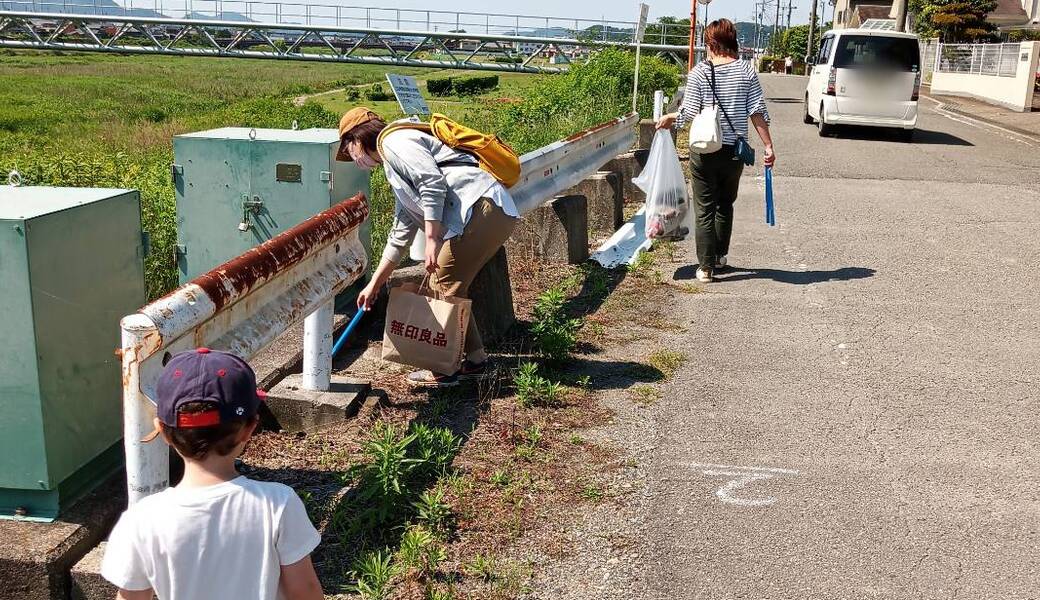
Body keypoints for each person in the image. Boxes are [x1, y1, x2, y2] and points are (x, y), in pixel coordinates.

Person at [100, 348, 323, 600]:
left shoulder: (142, 519)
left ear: (162, 431)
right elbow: (305, 591)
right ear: (249, 428)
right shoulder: (279, 504)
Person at [337, 107, 519, 388]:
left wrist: (432, 239)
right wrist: (374, 284)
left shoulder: (393, 141)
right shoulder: (393, 165)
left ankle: (443, 370)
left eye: (348, 150)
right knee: (450, 285)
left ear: (357, 139)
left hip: (480, 209)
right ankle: (476, 362)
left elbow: (431, 183)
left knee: (442, 282)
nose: (352, 158)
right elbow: (400, 233)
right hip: (488, 211)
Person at [655, 18, 776, 283]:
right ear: (732, 42)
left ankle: (706, 267)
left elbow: (688, 112)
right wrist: (768, 145)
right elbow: (757, 111)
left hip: (704, 149)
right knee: (725, 204)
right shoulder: (746, 71)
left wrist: (670, 118)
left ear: (711, 43)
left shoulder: (700, 72)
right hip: (733, 151)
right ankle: (720, 256)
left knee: (705, 207)